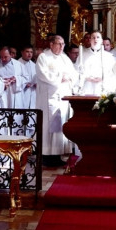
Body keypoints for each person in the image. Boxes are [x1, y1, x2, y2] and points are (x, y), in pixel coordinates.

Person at [36, 35, 77, 167]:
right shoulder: (43, 57)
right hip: (49, 97)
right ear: (51, 44)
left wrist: (70, 78)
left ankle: (58, 154)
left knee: (61, 126)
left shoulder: (64, 58)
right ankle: (46, 155)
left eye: (63, 44)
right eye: (58, 44)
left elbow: (74, 74)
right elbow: (43, 74)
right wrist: (60, 77)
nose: (61, 47)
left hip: (63, 97)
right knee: (49, 126)